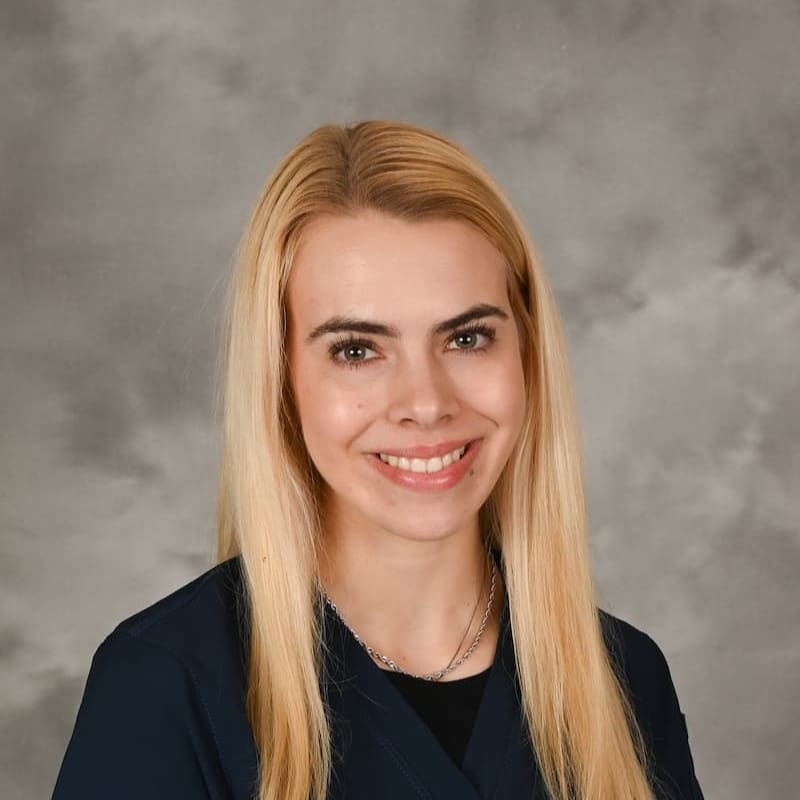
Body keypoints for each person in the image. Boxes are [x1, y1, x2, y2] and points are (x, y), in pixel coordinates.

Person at [52, 120, 704, 800]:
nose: (425, 403)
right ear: (281, 378)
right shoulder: (166, 687)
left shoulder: (624, 681)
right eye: (357, 350)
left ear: (528, 356)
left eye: (468, 338)